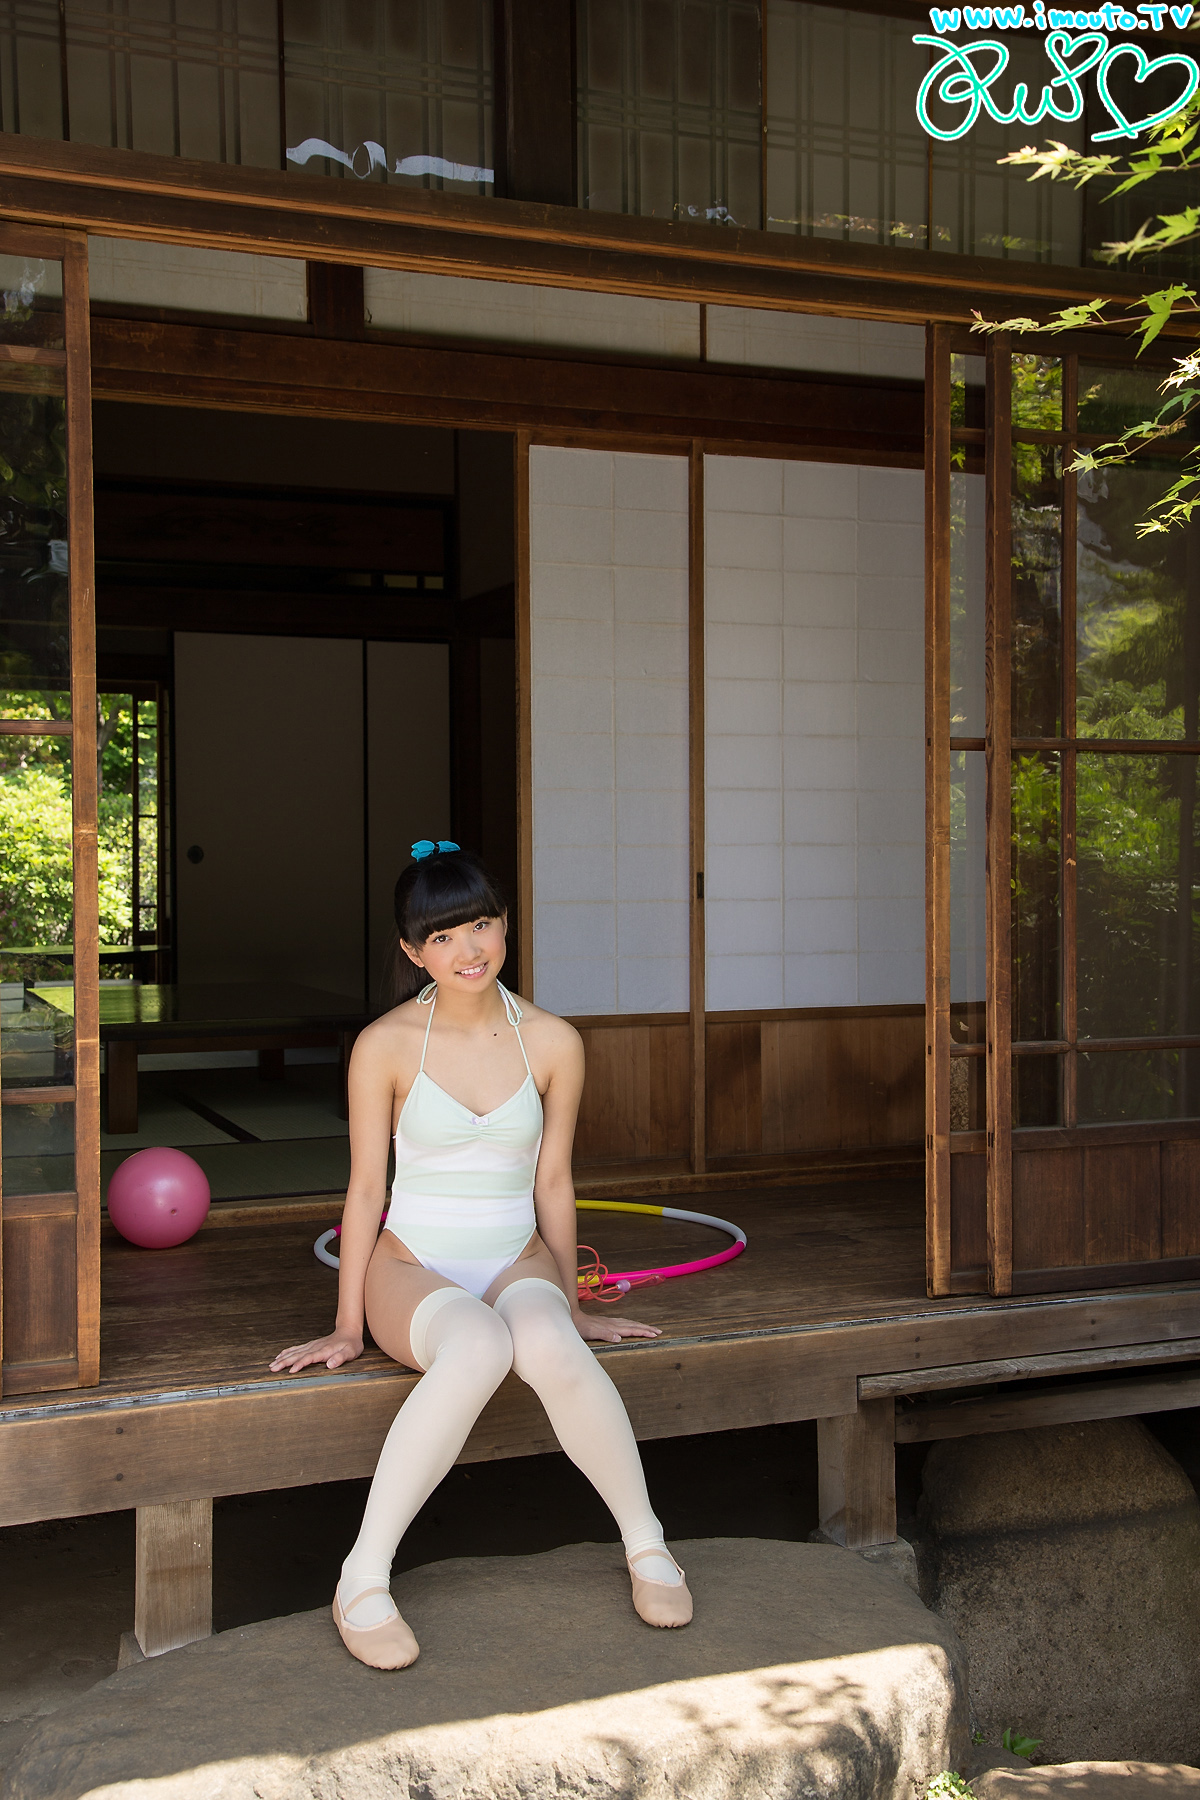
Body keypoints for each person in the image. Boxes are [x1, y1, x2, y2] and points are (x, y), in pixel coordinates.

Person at [270, 841, 692, 1669]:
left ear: (505, 926)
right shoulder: (385, 1044)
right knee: (476, 1346)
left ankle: (648, 1545)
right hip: (411, 1262)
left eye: (481, 926)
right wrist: (348, 1325)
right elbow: (366, 1189)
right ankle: (361, 1578)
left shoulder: (554, 1041)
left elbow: (554, 1181)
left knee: (547, 1341)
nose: (468, 950)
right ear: (411, 951)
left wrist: (572, 1303)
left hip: (513, 1255)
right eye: (442, 937)